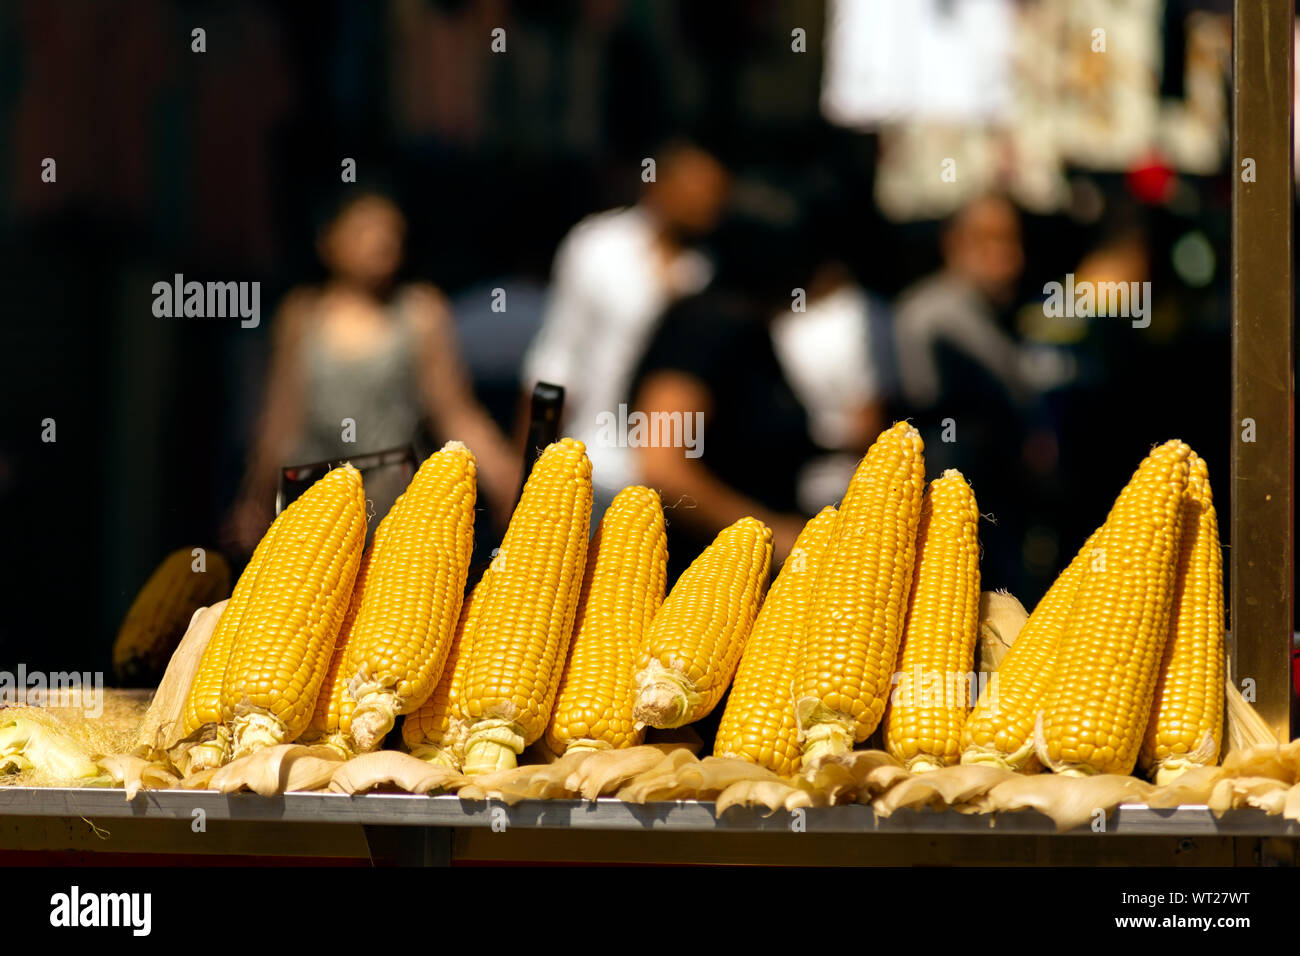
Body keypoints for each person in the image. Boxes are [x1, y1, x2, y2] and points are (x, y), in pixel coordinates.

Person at [223, 190, 517, 556]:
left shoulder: (420, 313)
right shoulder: (301, 315)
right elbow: (282, 417)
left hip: (393, 506)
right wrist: (257, 496)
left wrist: (506, 477)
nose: (381, 242)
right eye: (365, 229)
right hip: (313, 506)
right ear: (328, 241)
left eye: (391, 232)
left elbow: (455, 412)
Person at [520, 139, 729, 517]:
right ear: (659, 185)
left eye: (716, 193)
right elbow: (557, 359)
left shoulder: (712, 269)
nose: (708, 202)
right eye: (698, 190)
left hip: (672, 481)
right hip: (594, 465)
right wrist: (529, 469)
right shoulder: (598, 247)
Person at [629, 206, 824, 576]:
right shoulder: (704, 327)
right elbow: (662, 464)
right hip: (697, 577)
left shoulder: (751, 330)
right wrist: (768, 532)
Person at [892, 192, 1030, 587]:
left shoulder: (994, 314)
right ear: (953, 244)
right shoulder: (933, 318)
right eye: (988, 241)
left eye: (1011, 241)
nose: (1007, 257)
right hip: (949, 509)